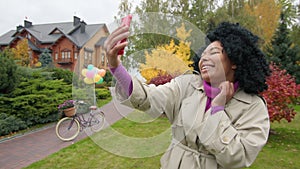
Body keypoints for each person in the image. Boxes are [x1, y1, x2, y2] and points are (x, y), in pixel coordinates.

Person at [104, 22, 270, 169]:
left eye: (213, 52)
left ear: (234, 60)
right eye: (203, 54)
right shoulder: (186, 85)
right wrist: (115, 65)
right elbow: (148, 97)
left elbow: (236, 158)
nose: (204, 58)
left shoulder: (253, 107)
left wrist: (217, 109)